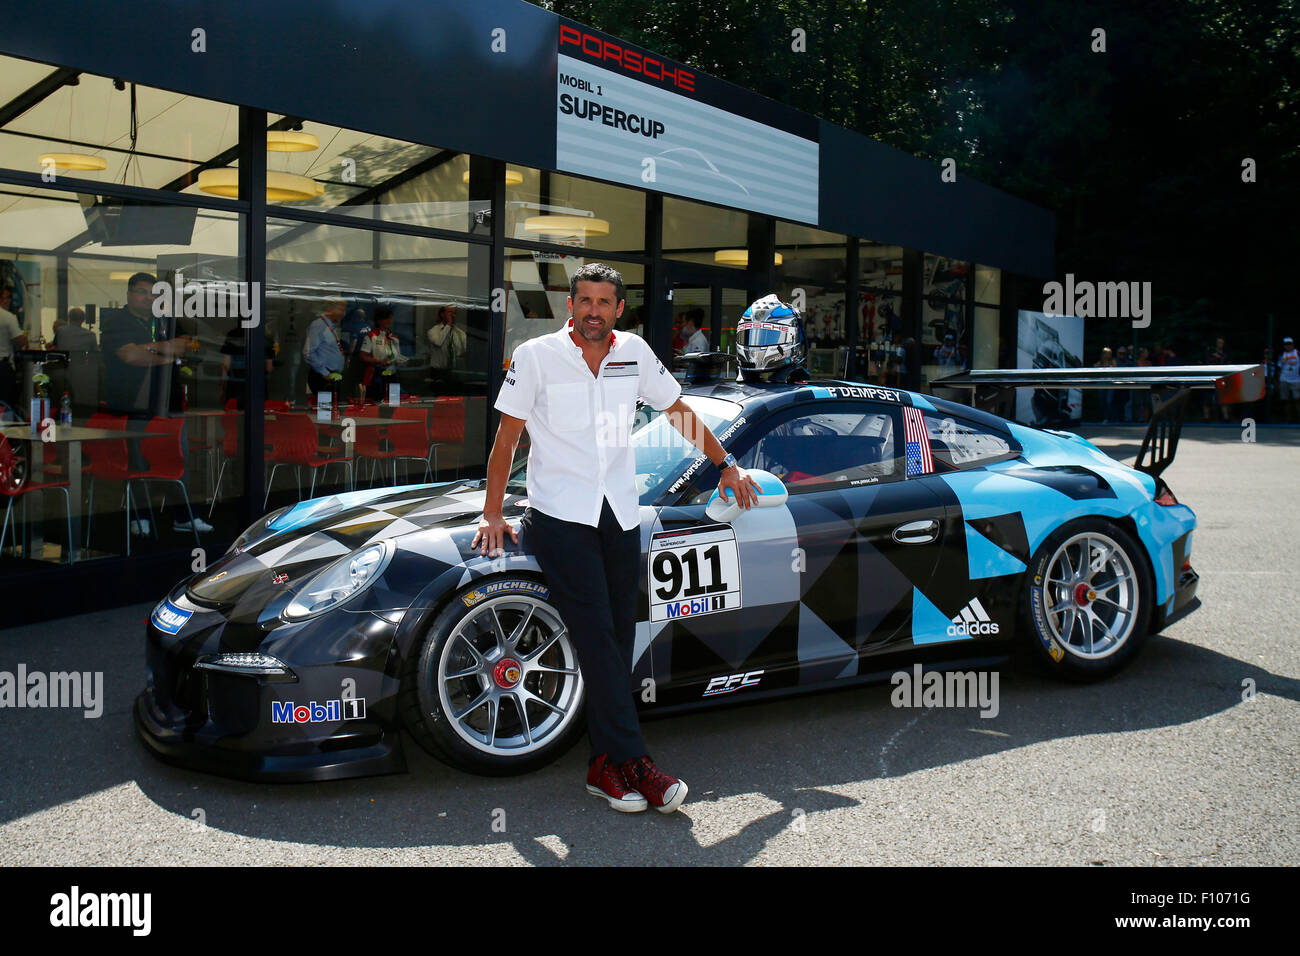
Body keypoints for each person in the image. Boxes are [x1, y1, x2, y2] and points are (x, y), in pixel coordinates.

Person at [475, 262, 759, 814]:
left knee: (617, 639)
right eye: (584, 301)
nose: (593, 312)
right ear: (571, 305)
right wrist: (492, 514)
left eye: (604, 303)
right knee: (600, 638)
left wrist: (726, 465)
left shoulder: (634, 352)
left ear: (618, 309)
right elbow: (506, 439)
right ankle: (637, 763)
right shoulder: (536, 357)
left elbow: (678, 412)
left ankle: (604, 766)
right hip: (559, 517)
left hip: (619, 518)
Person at [100, 272, 212, 534]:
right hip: (133, 406)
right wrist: (166, 353)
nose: (148, 297)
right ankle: (141, 517)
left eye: (153, 293)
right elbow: (130, 356)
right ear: (129, 294)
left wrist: (150, 348)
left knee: (176, 460)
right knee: (138, 463)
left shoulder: (165, 319)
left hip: (169, 406)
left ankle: (183, 516)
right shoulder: (117, 322)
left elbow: (189, 344)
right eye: (141, 292)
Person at [53, 307, 100, 415]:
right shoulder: (90, 335)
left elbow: (55, 346)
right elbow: (95, 354)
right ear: (83, 320)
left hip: (62, 369)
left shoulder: (60, 331)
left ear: (69, 318)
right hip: (82, 372)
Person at [220, 324, 274, 410]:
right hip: (257, 385)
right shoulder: (265, 337)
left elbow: (225, 365)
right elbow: (269, 367)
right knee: (257, 416)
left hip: (235, 386)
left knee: (233, 417)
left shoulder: (232, 334)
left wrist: (222, 388)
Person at [303, 299, 347, 397]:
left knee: (331, 410)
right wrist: (325, 373)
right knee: (325, 411)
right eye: (341, 309)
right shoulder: (318, 325)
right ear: (330, 308)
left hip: (331, 376)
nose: (343, 313)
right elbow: (308, 352)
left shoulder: (330, 326)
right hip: (323, 377)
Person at [359, 305, 404, 401]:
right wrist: (377, 361)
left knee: (394, 402)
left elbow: (397, 356)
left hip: (393, 375)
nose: (389, 320)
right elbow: (362, 356)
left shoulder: (394, 337)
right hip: (377, 375)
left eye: (390, 318)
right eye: (385, 318)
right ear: (378, 320)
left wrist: (401, 361)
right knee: (377, 404)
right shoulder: (371, 336)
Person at [0, 283, 28, 413]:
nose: (8, 301)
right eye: (6, 297)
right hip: (3, 367)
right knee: (5, 405)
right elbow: (20, 341)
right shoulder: (8, 317)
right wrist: (25, 335)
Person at [426, 304, 466, 393]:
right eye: (450, 312)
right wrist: (448, 325)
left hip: (454, 371)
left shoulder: (460, 333)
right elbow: (438, 343)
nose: (452, 315)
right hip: (438, 372)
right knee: (439, 400)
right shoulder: (433, 331)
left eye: (454, 313)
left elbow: (463, 352)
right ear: (442, 314)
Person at [1278, 336, 1300, 424]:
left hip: (1296, 380)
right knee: (1285, 401)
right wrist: (1279, 381)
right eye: (1286, 344)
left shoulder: (1297, 353)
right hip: (1284, 379)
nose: (1288, 346)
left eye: (1289, 344)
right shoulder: (1281, 355)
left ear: (1293, 344)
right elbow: (1279, 368)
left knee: (1297, 400)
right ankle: (1288, 419)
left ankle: (1298, 419)